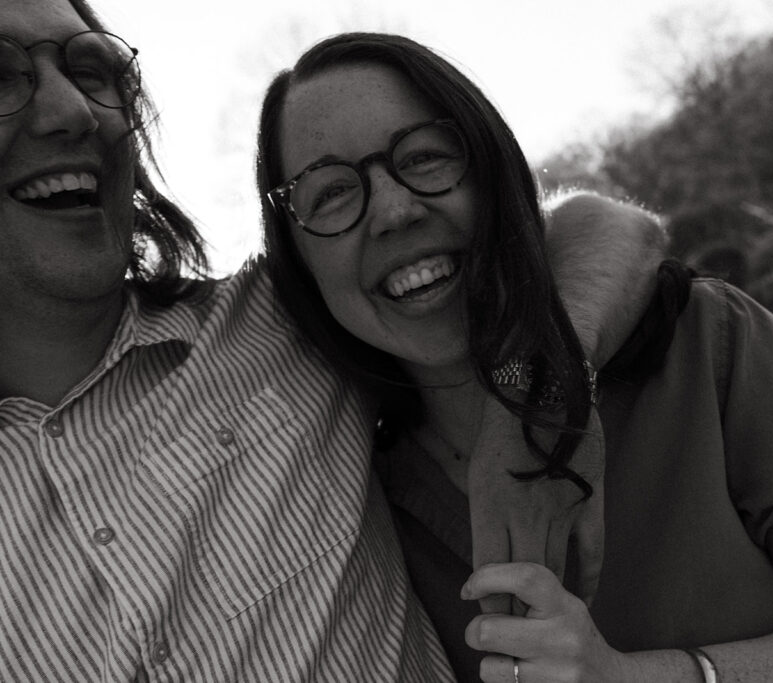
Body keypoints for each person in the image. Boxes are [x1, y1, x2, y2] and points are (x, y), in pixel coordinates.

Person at [0, 1, 667, 679]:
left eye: (91, 70)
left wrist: (539, 399)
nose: (72, 111)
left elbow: (600, 230)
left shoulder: (282, 320)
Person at [256, 32, 773, 683]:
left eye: (425, 155)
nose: (396, 209)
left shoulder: (708, 346)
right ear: (298, 258)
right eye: (332, 193)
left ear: (493, 168)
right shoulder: (346, 500)